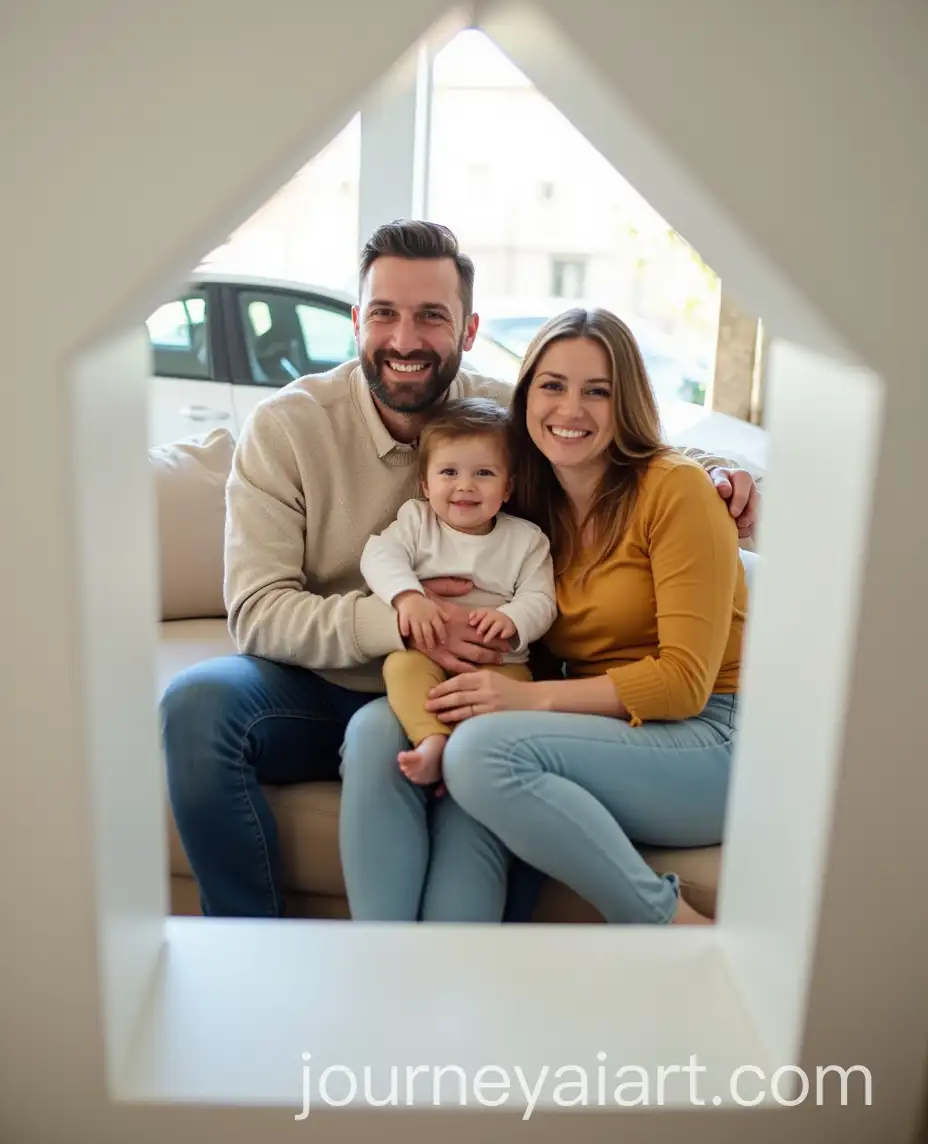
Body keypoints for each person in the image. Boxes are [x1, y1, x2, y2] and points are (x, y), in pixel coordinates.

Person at [160, 218, 759, 920]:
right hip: (330, 678)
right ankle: (257, 951)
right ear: (357, 321)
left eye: (431, 317)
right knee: (196, 705)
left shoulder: (506, 418)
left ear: (468, 331)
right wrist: (405, 624)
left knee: (458, 750)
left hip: (481, 679)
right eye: (384, 313)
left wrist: (721, 473)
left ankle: (447, 963)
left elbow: (614, 443)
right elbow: (258, 612)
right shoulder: (290, 428)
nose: (405, 340)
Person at [426, 307, 747, 924]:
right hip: (615, 729)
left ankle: (675, 927)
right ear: (525, 397)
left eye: (596, 391)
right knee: (464, 788)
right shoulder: (531, 507)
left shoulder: (675, 491)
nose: (569, 410)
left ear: (624, 402)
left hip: (713, 737)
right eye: (552, 385)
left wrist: (527, 702)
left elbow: (683, 683)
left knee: (479, 755)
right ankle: (447, 983)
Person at [359, 397, 557, 786]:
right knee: (400, 669)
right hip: (424, 651)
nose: (465, 485)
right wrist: (408, 597)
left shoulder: (526, 540)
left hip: (500, 663)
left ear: (508, 486)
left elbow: (542, 600)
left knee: (511, 701)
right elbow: (378, 555)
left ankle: (469, 760)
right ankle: (431, 740)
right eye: (448, 472)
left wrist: (511, 619)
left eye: (484, 473)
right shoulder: (417, 521)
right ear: (425, 484)